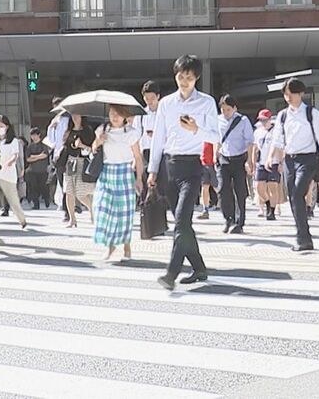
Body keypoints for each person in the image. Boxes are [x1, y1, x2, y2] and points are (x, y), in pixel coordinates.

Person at [149, 55, 220, 290]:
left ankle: (171, 273)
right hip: (169, 166)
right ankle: (199, 268)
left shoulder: (207, 102)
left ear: (196, 77)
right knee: (183, 224)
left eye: (189, 77)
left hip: (192, 166)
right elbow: (158, 137)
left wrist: (195, 129)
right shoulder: (167, 104)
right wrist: (152, 170)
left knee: (181, 220)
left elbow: (215, 137)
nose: (184, 81)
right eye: (181, 76)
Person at [270, 78, 319, 252]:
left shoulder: (312, 113)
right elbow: (278, 139)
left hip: (308, 159)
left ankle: (303, 237)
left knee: (297, 193)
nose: (288, 97)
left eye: (291, 94)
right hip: (290, 159)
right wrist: (272, 158)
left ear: (301, 93)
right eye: (285, 94)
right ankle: (303, 237)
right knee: (293, 197)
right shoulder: (282, 115)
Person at [91, 104, 144, 261]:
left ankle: (126, 246)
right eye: (112, 113)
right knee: (102, 208)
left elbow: (138, 157)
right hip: (107, 172)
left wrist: (139, 178)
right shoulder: (102, 130)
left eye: (118, 114)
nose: (115, 117)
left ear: (125, 116)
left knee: (124, 213)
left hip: (125, 173)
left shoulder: (131, 133)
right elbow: (93, 149)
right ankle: (110, 245)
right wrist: (98, 142)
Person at [217, 94, 254, 234]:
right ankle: (228, 218)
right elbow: (217, 138)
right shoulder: (218, 120)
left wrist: (249, 160)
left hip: (239, 158)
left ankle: (239, 222)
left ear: (234, 108)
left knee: (240, 190)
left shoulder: (243, 120)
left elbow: (250, 141)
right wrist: (216, 153)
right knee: (222, 189)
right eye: (223, 109)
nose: (225, 113)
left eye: (228, 109)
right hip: (224, 158)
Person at [56, 113, 95, 228]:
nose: (75, 118)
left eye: (78, 115)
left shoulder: (87, 131)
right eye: (73, 116)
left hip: (82, 162)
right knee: (69, 191)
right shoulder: (69, 131)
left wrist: (82, 145)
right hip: (70, 162)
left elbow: (92, 148)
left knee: (80, 193)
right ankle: (72, 219)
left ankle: (92, 209)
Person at [0, 115, 27, 229]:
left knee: (13, 200)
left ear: (7, 127)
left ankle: (22, 220)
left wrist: (10, 162)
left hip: (8, 175)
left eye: (2, 126)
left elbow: (15, 155)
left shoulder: (13, 141)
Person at [250, 110, 283, 220]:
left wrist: (280, 162)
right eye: (261, 120)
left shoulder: (276, 132)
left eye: (265, 120)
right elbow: (254, 148)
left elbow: (280, 147)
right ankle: (268, 203)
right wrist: (253, 163)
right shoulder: (258, 132)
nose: (263, 122)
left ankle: (272, 211)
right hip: (261, 162)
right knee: (260, 187)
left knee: (273, 187)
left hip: (274, 162)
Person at [25, 128, 52, 209]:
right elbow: (28, 159)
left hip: (43, 170)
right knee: (34, 188)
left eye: (35, 135)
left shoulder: (44, 146)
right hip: (32, 170)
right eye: (32, 135)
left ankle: (47, 199)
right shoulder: (30, 146)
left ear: (39, 135)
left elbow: (45, 155)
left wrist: (34, 156)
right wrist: (39, 156)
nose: (33, 137)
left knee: (43, 186)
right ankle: (36, 204)